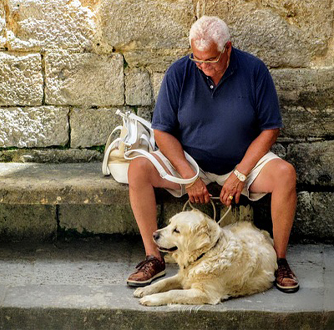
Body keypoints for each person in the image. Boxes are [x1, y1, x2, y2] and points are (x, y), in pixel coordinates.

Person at [126, 16, 299, 293]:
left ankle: (280, 261)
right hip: (190, 162)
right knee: (138, 169)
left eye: (211, 60)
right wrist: (188, 175)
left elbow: (270, 129)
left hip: (243, 162)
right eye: (198, 59)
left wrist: (241, 173)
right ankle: (153, 257)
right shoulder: (179, 72)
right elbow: (162, 132)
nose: (204, 67)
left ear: (227, 48)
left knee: (285, 175)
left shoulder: (254, 70)